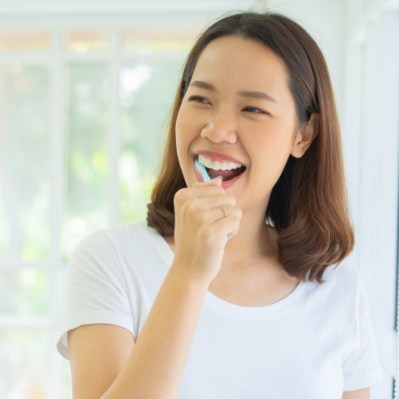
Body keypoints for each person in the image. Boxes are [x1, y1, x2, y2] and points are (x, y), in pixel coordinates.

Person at [57, 11, 383, 399]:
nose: (216, 130)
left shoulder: (336, 287)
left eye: (253, 108)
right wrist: (190, 273)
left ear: (304, 134)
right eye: (200, 99)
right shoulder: (111, 261)